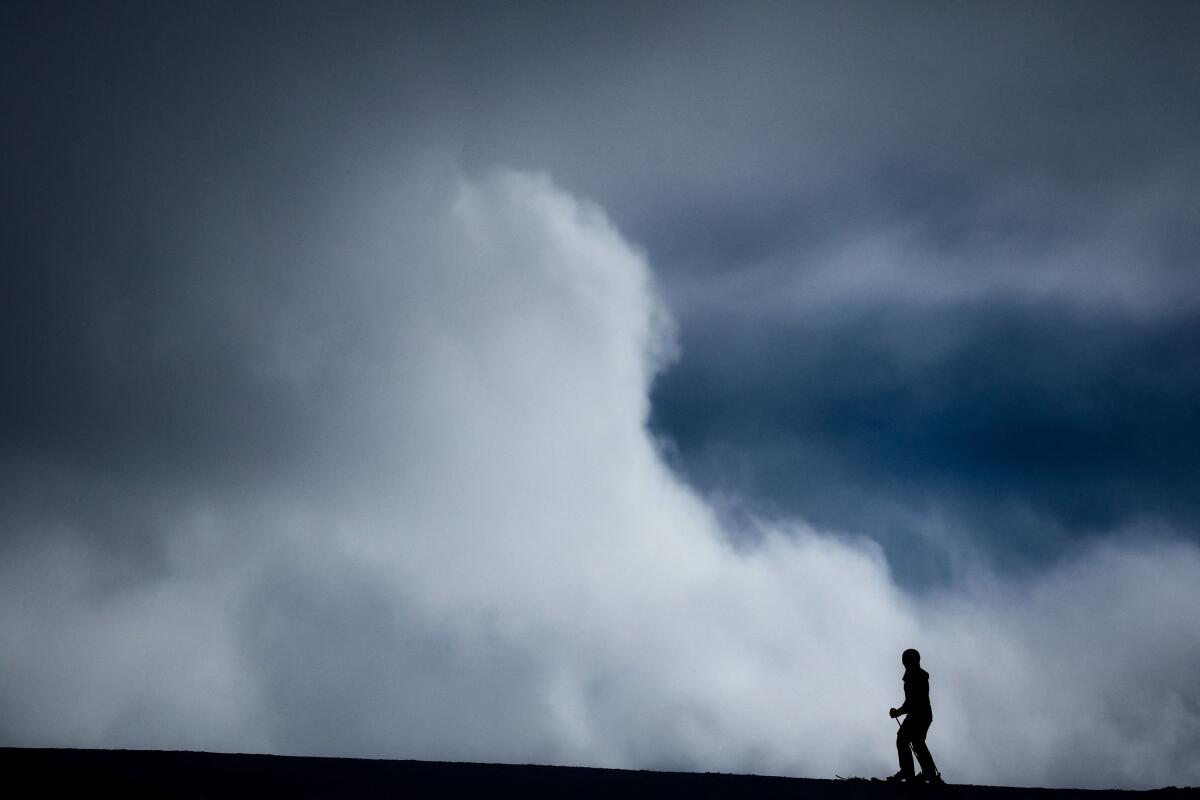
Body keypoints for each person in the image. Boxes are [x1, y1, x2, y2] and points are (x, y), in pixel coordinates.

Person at [887, 648, 942, 783]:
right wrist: (899, 712)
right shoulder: (915, 676)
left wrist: (897, 712)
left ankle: (912, 772)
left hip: (918, 715)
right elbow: (910, 702)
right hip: (921, 715)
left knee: (905, 739)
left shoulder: (915, 677)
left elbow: (912, 702)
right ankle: (928, 773)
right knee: (916, 742)